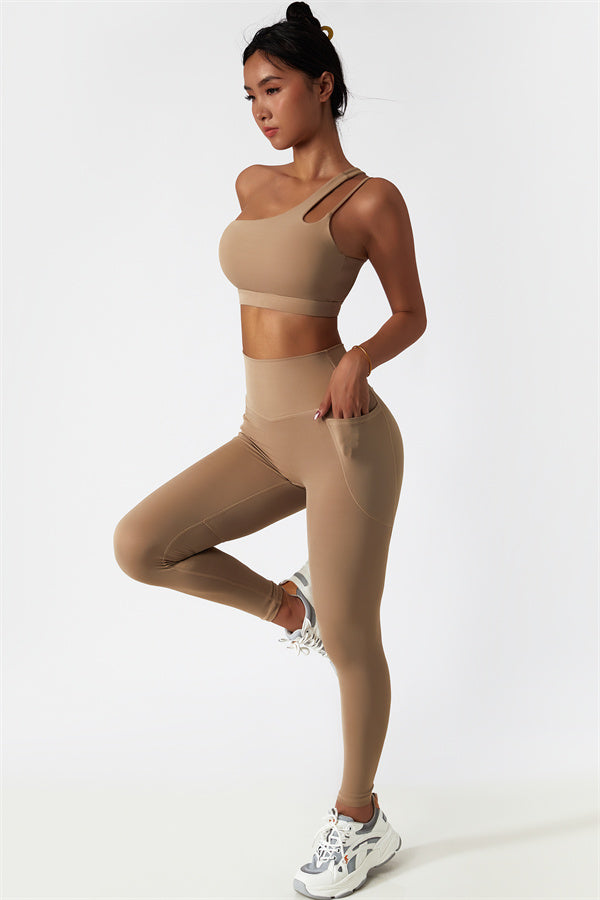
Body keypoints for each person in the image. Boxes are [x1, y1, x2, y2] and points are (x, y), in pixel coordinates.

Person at [113, 2, 427, 896]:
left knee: (355, 640)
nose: (259, 108)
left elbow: (411, 312)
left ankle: (360, 820)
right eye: (250, 93)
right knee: (142, 544)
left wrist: (359, 357)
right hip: (262, 433)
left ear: (322, 86)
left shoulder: (370, 200)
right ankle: (293, 609)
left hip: (342, 439)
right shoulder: (252, 184)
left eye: (274, 88)